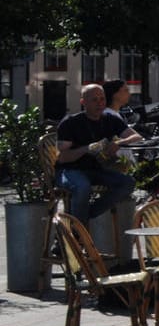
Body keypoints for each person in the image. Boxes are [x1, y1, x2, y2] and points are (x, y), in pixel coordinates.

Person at [54, 83, 141, 222]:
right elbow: (63, 158)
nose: (99, 103)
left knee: (127, 183)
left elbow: (136, 137)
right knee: (83, 187)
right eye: (94, 100)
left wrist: (118, 143)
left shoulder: (110, 119)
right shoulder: (71, 122)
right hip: (70, 170)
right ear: (83, 102)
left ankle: (84, 217)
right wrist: (86, 149)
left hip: (98, 169)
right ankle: (78, 233)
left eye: (102, 99)